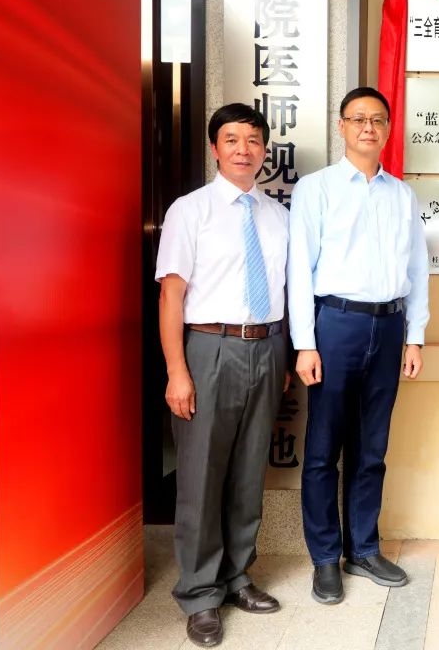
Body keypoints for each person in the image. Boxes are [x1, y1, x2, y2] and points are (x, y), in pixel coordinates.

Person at [288, 87, 429, 605]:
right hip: (336, 325)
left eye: (378, 120)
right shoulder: (317, 188)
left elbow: (417, 269)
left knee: (372, 449)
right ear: (342, 126)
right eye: (358, 119)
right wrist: (305, 343)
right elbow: (299, 269)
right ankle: (325, 558)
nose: (369, 128)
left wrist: (415, 334)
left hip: (388, 327)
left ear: (388, 129)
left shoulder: (402, 195)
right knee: (324, 449)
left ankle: (363, 548)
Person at [156, 103, 289, 647]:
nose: (243, 150)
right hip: (209, 348)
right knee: (201, 476)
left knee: (248, 474)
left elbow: (283, 290)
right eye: (231, 140)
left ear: (265, 150)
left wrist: (282, 359)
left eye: (253, 141)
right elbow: (171, 296)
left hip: (267, 347)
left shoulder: (277, 215)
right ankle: (199, 594)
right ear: (215, 148)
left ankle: (237, 577)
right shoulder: (190, 210)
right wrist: (177, 371)